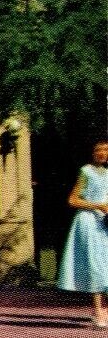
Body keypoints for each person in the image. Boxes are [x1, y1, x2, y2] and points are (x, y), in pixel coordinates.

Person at [59, 139, 108, 327]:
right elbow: (72, 200)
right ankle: (98, 311)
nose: (103, 153)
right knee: (95, 263)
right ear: (93, 153)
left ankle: (104, 310)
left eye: (106, 150)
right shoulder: (85, 171)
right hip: (88, 221)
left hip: (104, 221)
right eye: (99, 150)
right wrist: (97, 205)